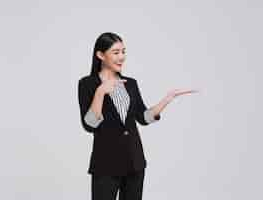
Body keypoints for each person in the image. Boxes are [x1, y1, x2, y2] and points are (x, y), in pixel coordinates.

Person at [78, 32, 197, 200]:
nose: (122, 57)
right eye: (116, 52)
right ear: (100, 55)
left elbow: (143, 118)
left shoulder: (130, 83)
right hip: (106, 164)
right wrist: (100, 92)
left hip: (134, 162)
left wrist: (167, 99)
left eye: (123, 52)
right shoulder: (87, 84)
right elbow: (90, 125)